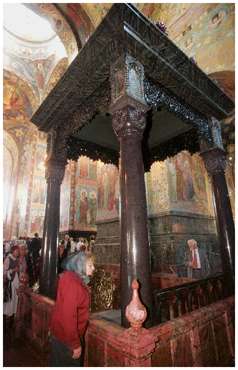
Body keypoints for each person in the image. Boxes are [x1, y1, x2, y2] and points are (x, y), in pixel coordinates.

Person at [49, 252, 95, 366]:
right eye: (90, 265)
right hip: (66, 340)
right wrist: (75, 344)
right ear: (79, 265)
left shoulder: (71, 278)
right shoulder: (73, 284)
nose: (93, 268)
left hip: (61, 336)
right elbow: (68, 317)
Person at [3, 245, 20, 318]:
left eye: (18, 251)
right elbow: (4, 271)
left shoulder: (16, 259)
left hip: (15, 279)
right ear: (12, 251)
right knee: (10, 297)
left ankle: (13, 311)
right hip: (10, 281)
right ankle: (7, 312)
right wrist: (13, 270)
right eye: (16, 251)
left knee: (14, 297)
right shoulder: (8, 259)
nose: (17, 253)